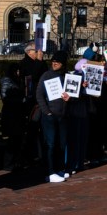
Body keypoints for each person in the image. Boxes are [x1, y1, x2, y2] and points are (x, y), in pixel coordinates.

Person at [36, 50, 72, 179]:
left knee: (61, 144)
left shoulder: (67, 76)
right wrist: (47, 112)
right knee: (50, 144)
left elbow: (72, 93)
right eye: (53, 61)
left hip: (63, 116)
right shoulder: (46, 75)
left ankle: (59, 168)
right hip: (50, 116)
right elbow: (39, 94)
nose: (54, 63)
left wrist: (70, 98)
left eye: (57, 62)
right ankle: (50, 172)